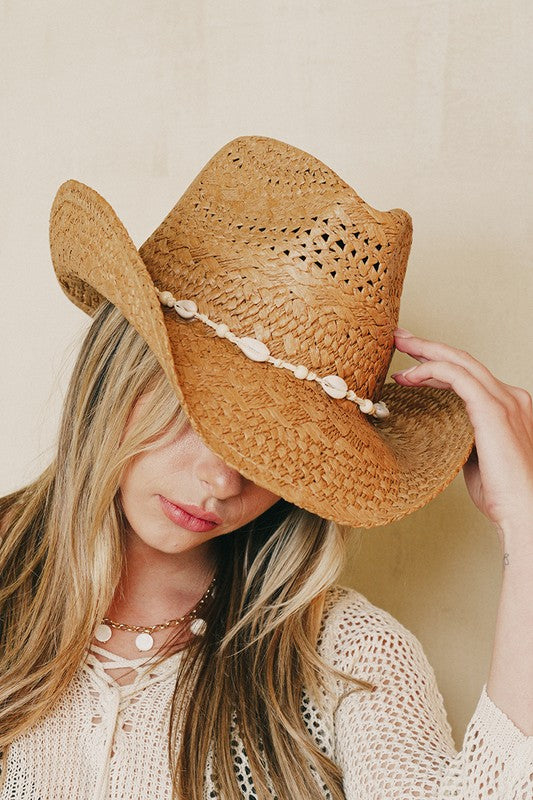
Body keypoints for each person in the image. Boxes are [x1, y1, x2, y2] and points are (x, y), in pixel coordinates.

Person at [0, 135, 531, 799]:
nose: (221, 482)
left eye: (276, 450)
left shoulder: (343, 655)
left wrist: (526, 530)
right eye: (199, 416)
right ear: (119, 371)